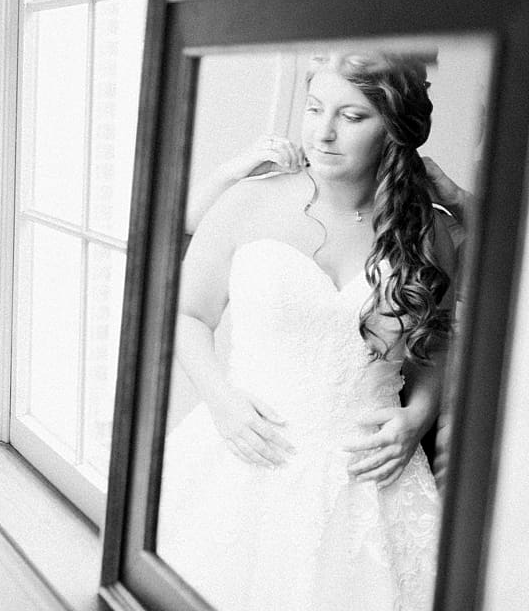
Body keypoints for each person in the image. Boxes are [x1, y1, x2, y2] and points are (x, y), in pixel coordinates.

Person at [157, 52, 454, 611]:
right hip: (247, 452)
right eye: (315, 108)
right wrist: (222, 402)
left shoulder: (427, 228)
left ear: (393, 128)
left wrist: (417, 417)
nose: (324, 131)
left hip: (372, 474)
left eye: (352, 116)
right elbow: (188, 315)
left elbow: (436, 345)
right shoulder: (248, 201)